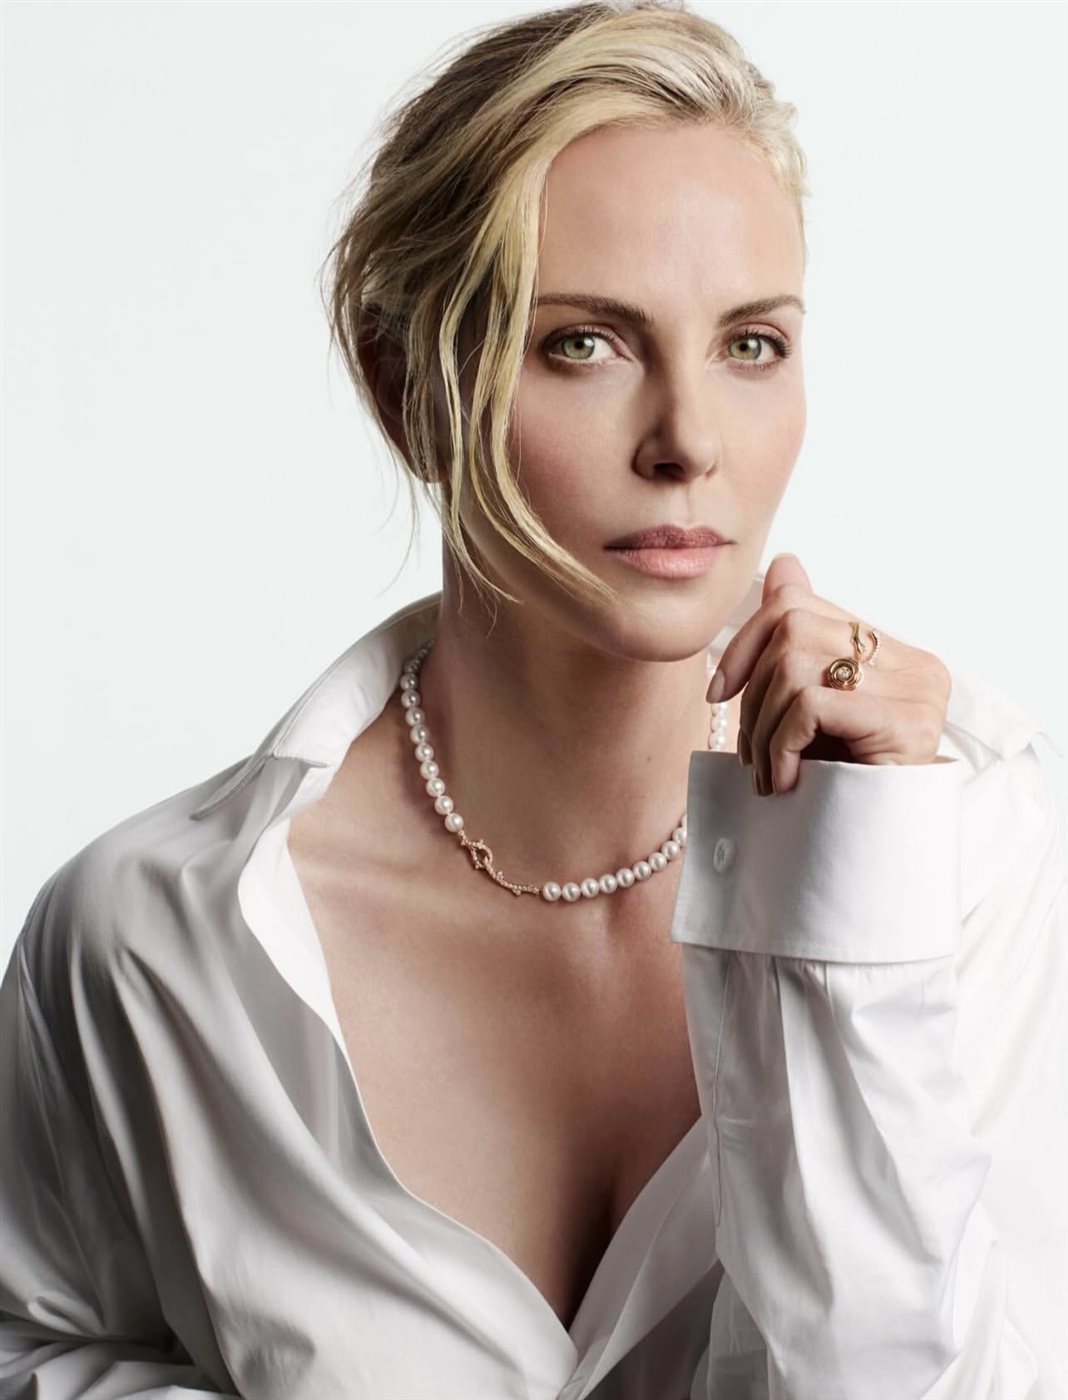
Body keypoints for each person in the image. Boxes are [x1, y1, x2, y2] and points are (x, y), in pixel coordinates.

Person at [2, 1, 1065, 1397]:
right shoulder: (159, 940)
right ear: (404, 388)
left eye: (751, 344)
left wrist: (851, 904)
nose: (689, 441)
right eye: (585, 344)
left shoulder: (967, 853)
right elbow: (38, 1352)